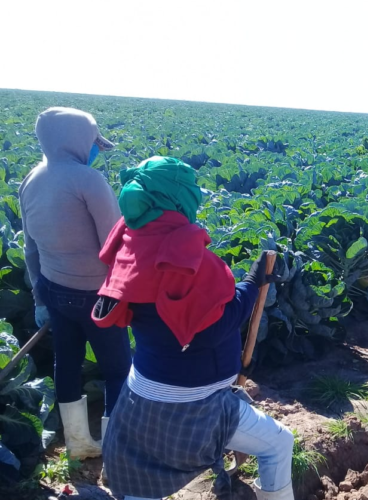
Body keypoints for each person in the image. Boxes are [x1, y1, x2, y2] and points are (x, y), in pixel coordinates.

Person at [95, 156, 295, 500]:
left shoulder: (131, 243)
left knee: (141, 484)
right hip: (192, 409)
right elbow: (218, 325)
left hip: (139, 400)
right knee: (279, 443)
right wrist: (252, 280)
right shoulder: (181, 256)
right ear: (178, 198)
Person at [19, 107, 132, 459]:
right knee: (117, 370)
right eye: (93, 142)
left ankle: (79, 445)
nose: (95, 149)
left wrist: (40, 298)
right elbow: (114, 247)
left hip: (54, 290)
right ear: (79, 141)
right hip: (97, 296)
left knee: (65, 364)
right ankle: (116, 453)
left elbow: (30, 248)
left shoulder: (31, 179)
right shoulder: (89, 180)